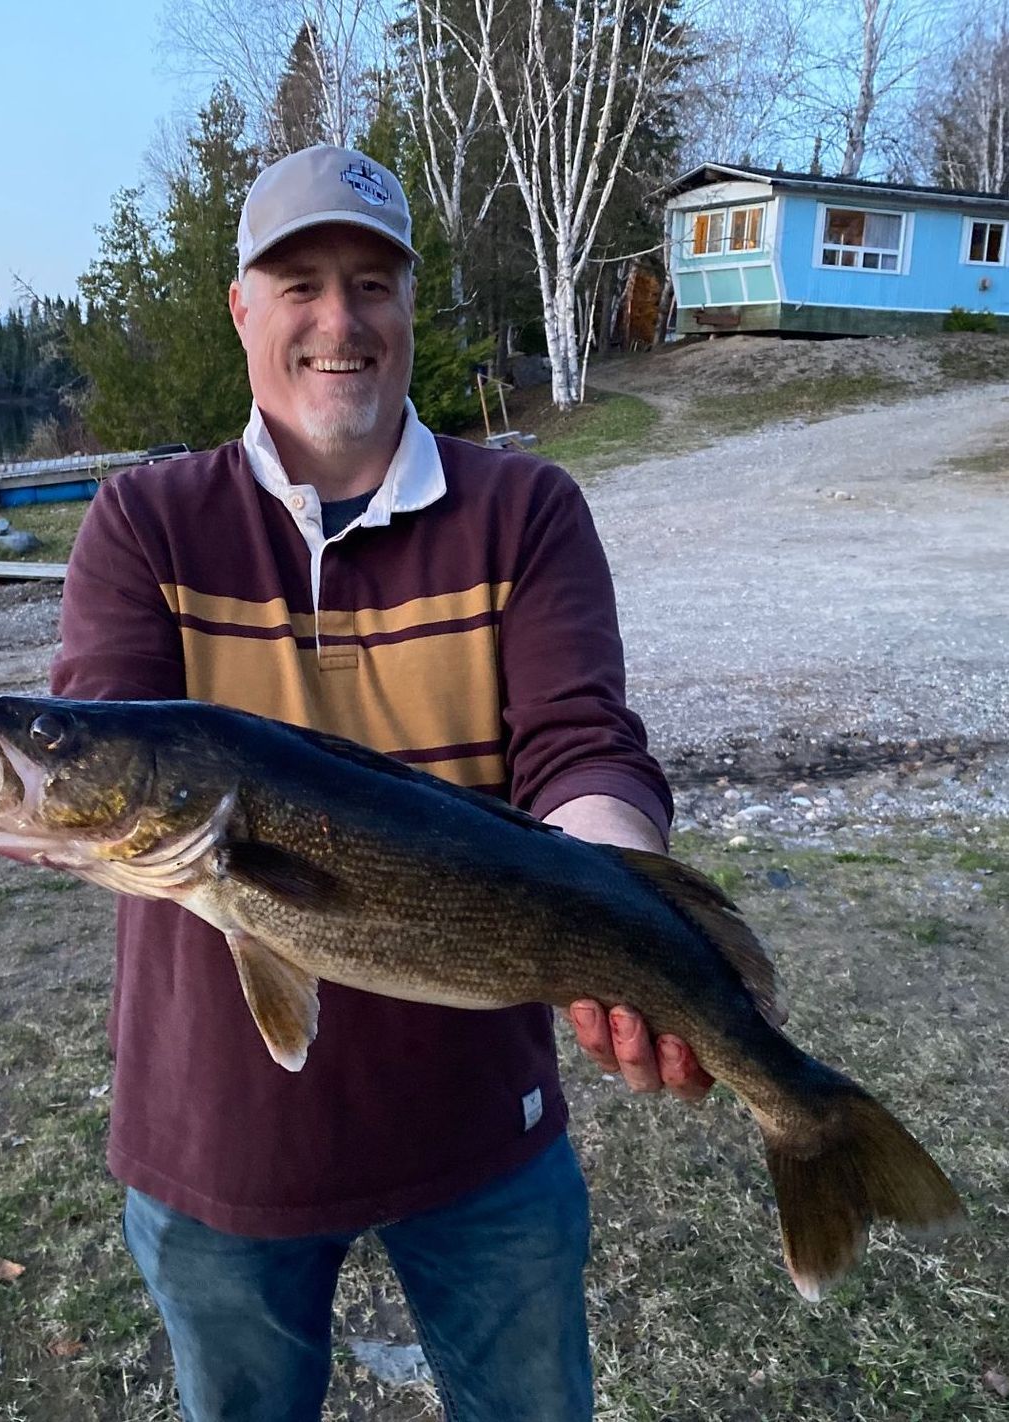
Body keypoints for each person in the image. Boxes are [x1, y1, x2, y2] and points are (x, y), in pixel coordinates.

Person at [51, 144, 711, 1422]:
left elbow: (581, 745)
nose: (337, 322)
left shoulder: (524, 511)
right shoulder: (144, 523)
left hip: (482, 1122)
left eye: (370, 284)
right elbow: (97, 737)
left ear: (412, 308)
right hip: (215, 1132)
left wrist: (628, 913)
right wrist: (50, 794)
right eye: (297, 284)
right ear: (241, 308)